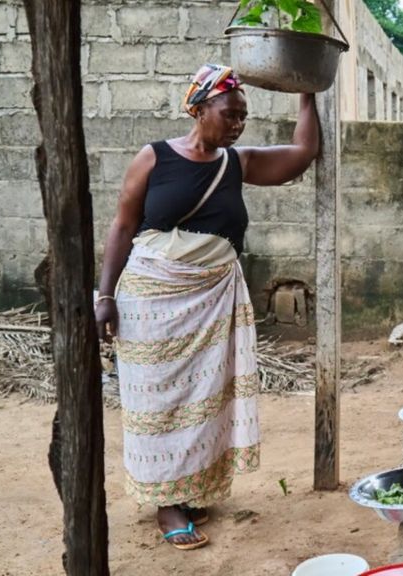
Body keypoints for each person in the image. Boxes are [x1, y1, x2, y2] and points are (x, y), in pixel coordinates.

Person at [94, 64, 320, 550]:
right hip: (151, 301)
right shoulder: (153, 158)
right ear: (199, 109)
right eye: (229, 114)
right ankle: (167, 503)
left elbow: (302, 154)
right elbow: (122, 226)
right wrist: (105, 295)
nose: (238, 124)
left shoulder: (238, 163)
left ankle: (189, 489)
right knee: (159, 402)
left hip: (210, 302)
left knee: (204, 401)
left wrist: (307, 93)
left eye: (243, 116)